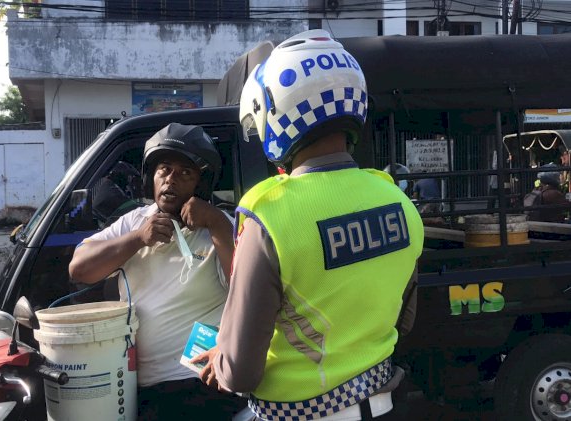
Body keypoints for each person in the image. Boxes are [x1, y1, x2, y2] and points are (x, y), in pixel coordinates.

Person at [194, 30, 424, 420]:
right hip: (382, 406)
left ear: (276, 113)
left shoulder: (268, 213)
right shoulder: (398, 201)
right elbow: (404, 320)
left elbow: (240, 373)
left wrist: (222, 359)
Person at [68, 123, 246, 420]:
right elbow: (80, 269)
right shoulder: (135, 221)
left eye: (185, 173)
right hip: (138, 384)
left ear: (202, 184)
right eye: (164, 169)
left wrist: (215, 224)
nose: (170, 180)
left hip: (199, 383)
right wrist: (138, 238)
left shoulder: (221, 225)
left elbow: (245, 289)